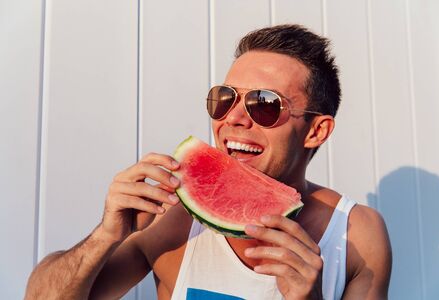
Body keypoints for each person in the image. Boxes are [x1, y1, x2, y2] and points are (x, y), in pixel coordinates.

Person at [25, 24, 392, 300]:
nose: (233, 118)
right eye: (225, 98)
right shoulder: (171, 218)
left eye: (265, 104)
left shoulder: (355, 234)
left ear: (316, 131)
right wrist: (106, 235)